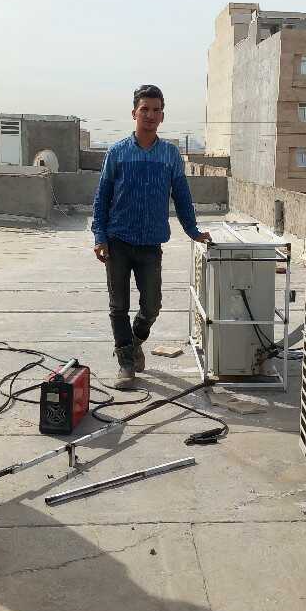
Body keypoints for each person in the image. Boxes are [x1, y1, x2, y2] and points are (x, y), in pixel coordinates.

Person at [92, 84, 211, 388]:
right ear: (134, 113)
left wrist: (193, 231)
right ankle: (126, 363)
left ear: (162, 116)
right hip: (118, 241)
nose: (150, 115)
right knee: (118, 306)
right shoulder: (117, 152)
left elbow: (181, 196)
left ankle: (134, 343)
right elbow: (102, 196)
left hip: (150, 244)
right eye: (144, 109)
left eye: (156, 110)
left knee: (152, 306)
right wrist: (99, 235)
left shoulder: (170, 155)